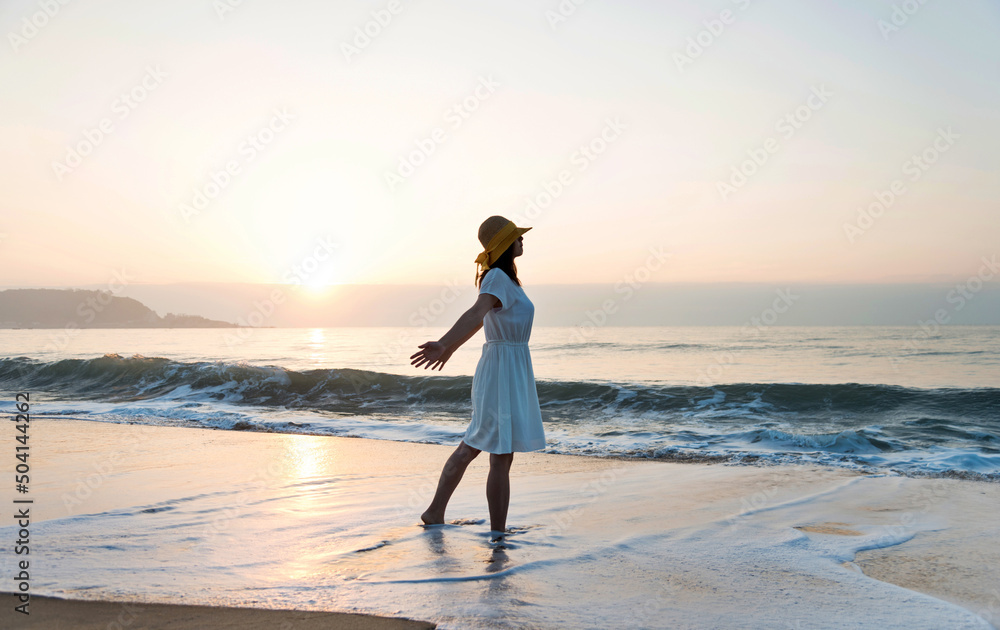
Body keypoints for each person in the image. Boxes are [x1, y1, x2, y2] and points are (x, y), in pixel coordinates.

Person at [410, 215, 546, 540]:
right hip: (501, 370)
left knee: (493, 450)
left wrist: (450, 346)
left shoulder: (508, 281)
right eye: (516, 236)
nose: (522, 240)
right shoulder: (496, 277)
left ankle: (445, 514)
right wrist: (446, 345)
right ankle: (491, 531)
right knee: (487, 448)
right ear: (504, 244)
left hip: (512, 367)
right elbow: (475, 314)